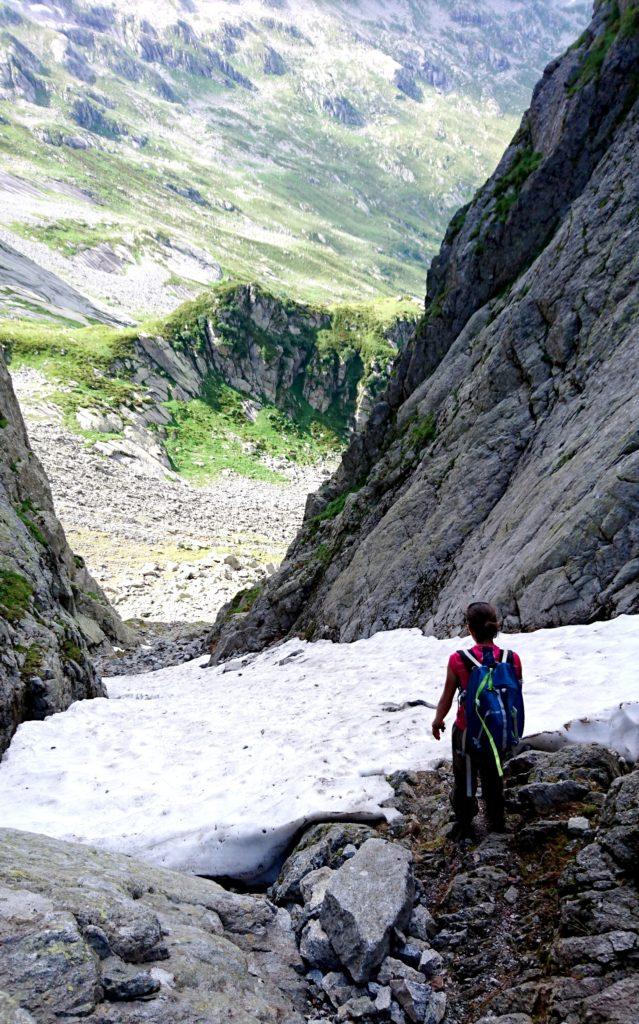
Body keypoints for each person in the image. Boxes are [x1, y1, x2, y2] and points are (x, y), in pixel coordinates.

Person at [431, 602, 523, 840]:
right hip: (498, 729)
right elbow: (514, 695)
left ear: (470, 629)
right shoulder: (511, 659)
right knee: (494, 773)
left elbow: (447, 697)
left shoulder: (459, 659)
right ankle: (496, 817)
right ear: (495, 627)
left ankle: (465, 822)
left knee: (464, 777)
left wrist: (437, 720)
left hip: (466, 730)